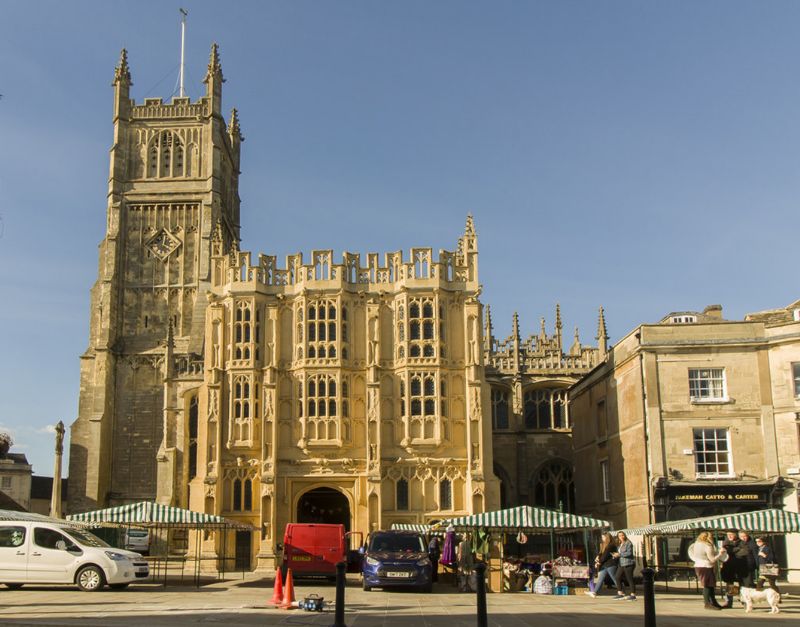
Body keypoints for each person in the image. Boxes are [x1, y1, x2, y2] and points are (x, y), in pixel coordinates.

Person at [689, 531, 726, 610]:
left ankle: (713, 602)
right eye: (711, 537)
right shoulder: (707, 546)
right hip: (706, 566)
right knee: (708, 585)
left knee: (709, 585)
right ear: (708, 538)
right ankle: (707, 603)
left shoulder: (696, 544)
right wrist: (720, 554)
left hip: (698, 565)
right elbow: (712, 559)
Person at [584, 532, 618, 598]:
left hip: (610, 564)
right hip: (604, 565)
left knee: (615, 579)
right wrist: (598, 557)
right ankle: (594, 593)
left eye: (603, 537)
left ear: (607, 537)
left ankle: (621, 591)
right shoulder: (603, 544)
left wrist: (598, 562)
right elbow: (601, 553)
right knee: (600, 579)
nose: (602, 539)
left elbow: (606, 555)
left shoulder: (611, 545)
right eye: (602, 537)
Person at [720, 530, 741, 608]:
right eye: (728, 534)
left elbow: (741, 550)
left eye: (731, 534)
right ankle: (729, 602)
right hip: (728, 566)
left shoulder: (740, 542)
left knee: (742, 583)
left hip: (740, 565)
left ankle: (744, 600)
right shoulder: (726, 542)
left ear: (735, 535)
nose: (729, 536)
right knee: (729, 584)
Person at [614, 531, 636, 600]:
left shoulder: (628, 543)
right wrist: (615, 555)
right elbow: (620, 553)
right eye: (619, 536)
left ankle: (633, 595)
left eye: (622, 535)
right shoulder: (620, 544)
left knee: (629, 579)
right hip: (621, 563)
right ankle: (620, 593)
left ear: (625, 535)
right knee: (617, 577)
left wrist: (619, 555)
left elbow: (629, 553)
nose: (621, 537)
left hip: (628, 563)